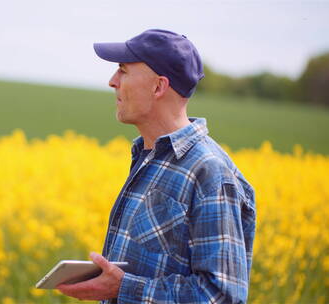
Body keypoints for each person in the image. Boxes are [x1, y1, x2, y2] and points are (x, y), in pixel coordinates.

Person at [56, 29, 256, 303]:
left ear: (158, 87)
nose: (112, 82)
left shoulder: (209, 172)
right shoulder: (149, 157)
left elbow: (222, 296)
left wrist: (122, 288)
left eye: (123, 71)